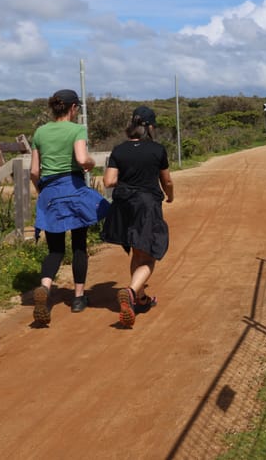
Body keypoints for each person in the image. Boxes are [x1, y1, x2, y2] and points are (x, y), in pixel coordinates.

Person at [30, 89, 109, 325]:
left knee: (55, 250)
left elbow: (34, 171)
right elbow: (82, 159)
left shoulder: (40, 132)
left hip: (50, 191)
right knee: (79, 246)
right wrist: (92, 163)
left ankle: (45, 287)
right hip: (73, 189)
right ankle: (78, 298)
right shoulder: (77, 129)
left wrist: (42, 191)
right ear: (74, 108)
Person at [102, 106, 174, 328]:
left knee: (137, 251)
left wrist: (127, 177)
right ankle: (131, 292)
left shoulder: (119, 150)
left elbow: (108, 181)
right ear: (150, 127)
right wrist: (170, 196)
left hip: (124, 205)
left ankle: (141, 299)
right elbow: (167, 181)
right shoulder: (157, 150)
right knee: (150, 254)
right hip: (146, 205)